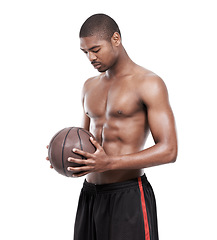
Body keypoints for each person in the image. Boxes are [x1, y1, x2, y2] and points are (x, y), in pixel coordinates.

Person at [47, 13, 178, 240]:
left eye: (95, 49)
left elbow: (169, 150)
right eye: (85, 52)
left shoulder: (149, 83)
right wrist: (68, 157)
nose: (90, 57)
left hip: (127, 195)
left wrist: (109, 163)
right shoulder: (88, 86)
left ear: (116, 39)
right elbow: (88, 142)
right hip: (90, 196)